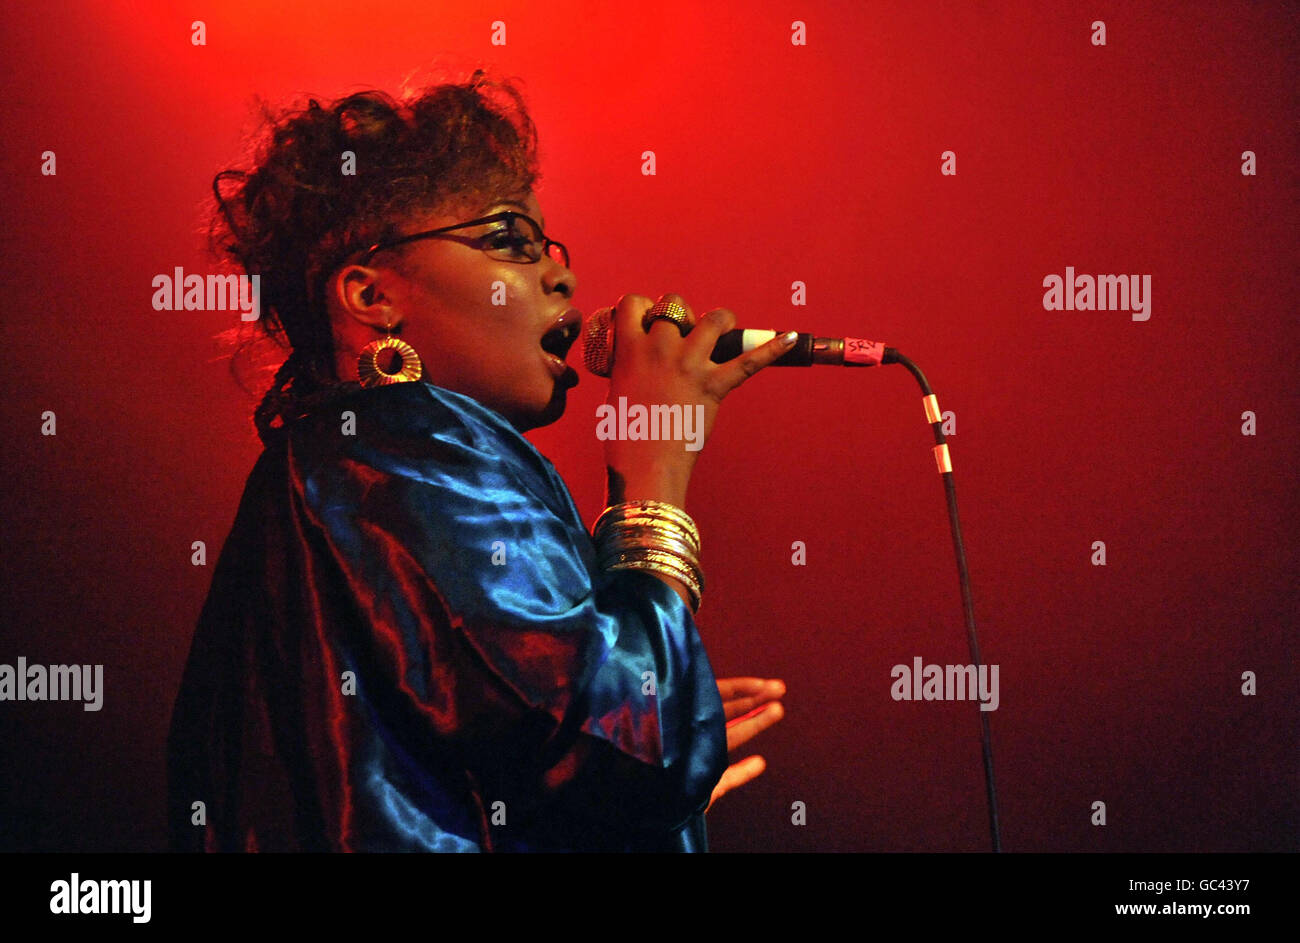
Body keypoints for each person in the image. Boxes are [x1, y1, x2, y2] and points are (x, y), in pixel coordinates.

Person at [167, 69, 790, 852]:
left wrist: (633, 787)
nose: (561, 276)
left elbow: (548, 755)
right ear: (369, 294)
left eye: (547, 247)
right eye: (509, 241)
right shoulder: (394, 448)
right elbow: (626, 746)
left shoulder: (351, 463)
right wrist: (654, 472)